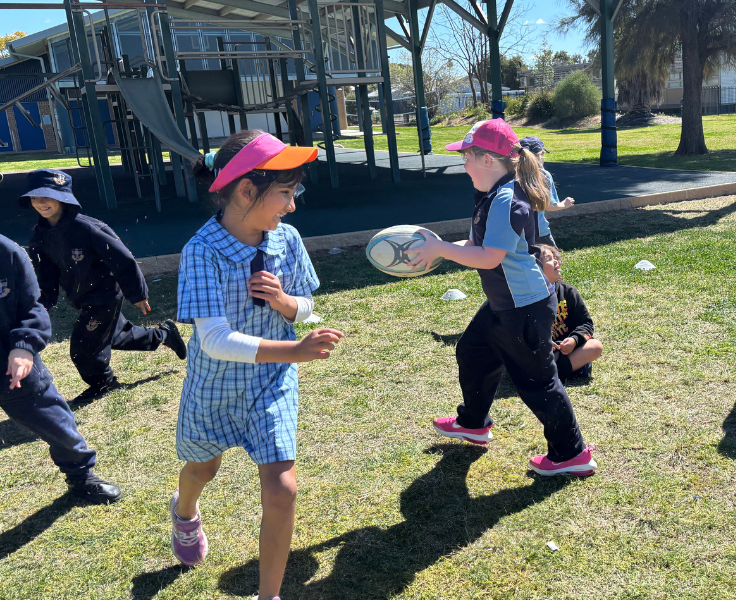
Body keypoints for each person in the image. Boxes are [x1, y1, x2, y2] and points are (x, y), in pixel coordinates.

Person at [172, 130, 344, 600]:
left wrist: (287, 303)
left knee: (282, 487)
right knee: (202, 469)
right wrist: (294, 350)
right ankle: (185, 511)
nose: (291, 206)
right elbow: (213, 340)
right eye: (285, 193)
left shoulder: (286, 239)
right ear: (247, 191)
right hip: (215, 388)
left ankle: (269, 596)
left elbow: (308, 306)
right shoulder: (201, 251)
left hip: (271, 384)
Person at [406, 120, 596, 477]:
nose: (462, 166)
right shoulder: (495, 194)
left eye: (466, 158)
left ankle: (571, 454)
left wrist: (442, 249)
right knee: (473, 352)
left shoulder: (508, 199)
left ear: (488, 159)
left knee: (537, 382)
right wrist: (438, 250)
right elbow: (477, 247)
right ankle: (473, 423)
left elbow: (490, 257)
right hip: (506, 302)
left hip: (524, 307)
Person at [20, 169, 187, 402]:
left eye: (47, 196)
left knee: (83, 348)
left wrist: (137, 293)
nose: (41, 202)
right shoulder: (41, 234)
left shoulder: (88, 228)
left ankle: (104, 383)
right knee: (117, 336)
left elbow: (122, 259)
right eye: (36, 197)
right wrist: (45, 300)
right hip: (81, 296)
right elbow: (46, 270)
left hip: (103, 295)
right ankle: (164, 335)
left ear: (63, 198)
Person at [0, 233, 121, 503]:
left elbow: (33, 306)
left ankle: (81, 476)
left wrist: (23, 345)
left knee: (56, 423)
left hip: (11, 367)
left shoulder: (7, 253)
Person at [538, 244, 603, 383]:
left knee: (595, 346)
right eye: (549, 259)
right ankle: (571, 369)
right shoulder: (527, 298)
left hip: (568, 351)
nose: (556, 261)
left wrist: (574, 340)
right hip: (542, 354)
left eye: (556, 258)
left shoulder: (568, 292)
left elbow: (586, 324)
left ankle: (552, 373)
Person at [518, 136, 575, 247]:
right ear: (538, 155)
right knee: (552, 262)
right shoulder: (543, 175)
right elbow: (549, 206)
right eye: (542, 154)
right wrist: (564, 204)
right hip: (539, 233)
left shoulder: (512, 175)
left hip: (516, 232)